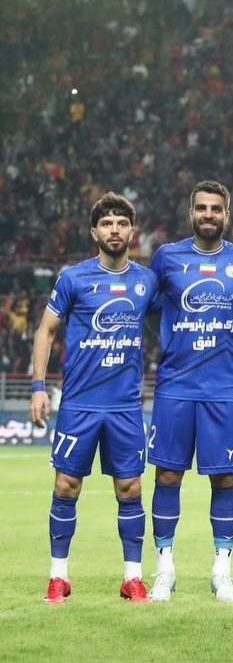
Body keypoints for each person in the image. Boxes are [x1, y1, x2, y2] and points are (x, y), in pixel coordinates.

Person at [31, 192, 159, 603]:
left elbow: (175, 317)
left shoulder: (146, 281)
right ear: (94, 232)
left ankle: (133, 577)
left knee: (131, 489)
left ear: (132, 232)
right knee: (66, 486)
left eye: (122, 223)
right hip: (79, 404)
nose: (115, 230)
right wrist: (37, 387)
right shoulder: (73, 278)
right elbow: (45, 331)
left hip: (124, 406)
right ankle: (58, 576)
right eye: (107, 223)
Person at [146, 180, 233, 603]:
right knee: (167, 474)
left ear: (226, 215)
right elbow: (147, 304)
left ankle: (222, 570)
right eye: (201, 208)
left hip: (223, 388)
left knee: (224, 477)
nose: (208, 215)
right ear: (190, 213)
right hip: (175, 386)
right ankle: (164, 569)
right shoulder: (166, 257)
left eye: (216, 209)